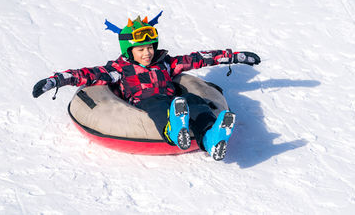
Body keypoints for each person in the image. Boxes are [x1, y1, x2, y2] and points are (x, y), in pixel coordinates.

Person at [32, 12, 260, 161]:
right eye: (141, 49)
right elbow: (87, 75)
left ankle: (211, 138)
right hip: (145, 104)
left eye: (150, 47)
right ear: (128, 51)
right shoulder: (119, 69)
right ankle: (173, 131)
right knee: (159, 105)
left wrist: (235, 56)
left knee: (196, 102)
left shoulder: (167, 64)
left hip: (174, 101)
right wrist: (55, 80)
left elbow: (199, 58)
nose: (147, 53)